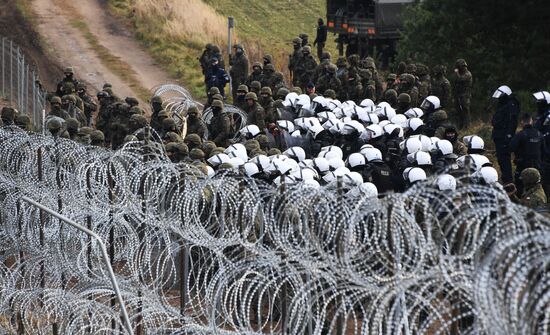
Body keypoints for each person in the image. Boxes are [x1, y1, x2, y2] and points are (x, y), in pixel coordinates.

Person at [509, 113, 544, 195]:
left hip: (522, 167)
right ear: (531, 121)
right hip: (537, 167)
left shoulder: (520, 135)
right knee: (537, 187)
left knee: (520, 188)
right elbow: (544, 151)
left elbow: (511, 148)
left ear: (522, 122)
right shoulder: (539, 134)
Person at [491, 85, 520, 184]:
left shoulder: (511, 105)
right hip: (499, 136)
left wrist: (508, 136)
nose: (499, 99)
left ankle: (508, 181)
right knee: (501, 159)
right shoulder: (503, 105)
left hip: (504, 137)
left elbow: (512, 122)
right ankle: (506, 179)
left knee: (504, 159)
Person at [452, 59, 473, 129]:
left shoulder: (468, 74)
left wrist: (456, 73)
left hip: (465, 95)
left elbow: (460, 79)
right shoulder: (460, 74)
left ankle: (467, 126)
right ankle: (460, 125)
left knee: (465, 110)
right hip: (459, 94)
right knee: (458, 110)